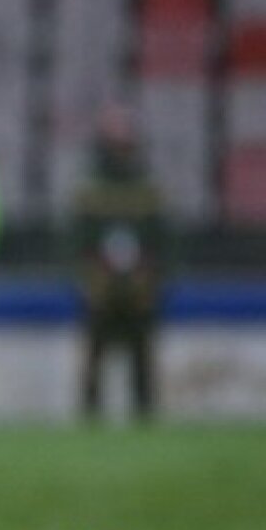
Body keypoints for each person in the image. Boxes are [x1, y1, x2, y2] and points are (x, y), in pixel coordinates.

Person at [71, 105, 167, 420]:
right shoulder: (90, 186)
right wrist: (87, 277)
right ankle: (90, 416)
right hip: (100, 285)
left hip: (139, 285)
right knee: (95, 355)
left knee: (141, 354)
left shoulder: (147, 186)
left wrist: (153, 277)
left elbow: (163, 238)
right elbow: (75, 239)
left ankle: (145, 415)